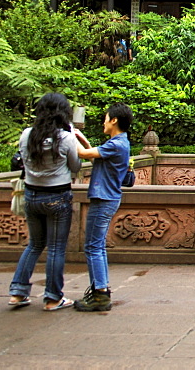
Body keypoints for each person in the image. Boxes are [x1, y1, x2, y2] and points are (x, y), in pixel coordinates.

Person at [8, 93, 83, 311]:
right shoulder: (65, 137)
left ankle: (17, 292)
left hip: (31, 195)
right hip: (58, 196)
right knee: (56, 248)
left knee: (34, 244)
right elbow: (76, 166)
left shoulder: (27, 134)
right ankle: (52, 298)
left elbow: (22, 162)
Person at [74, 102, 133, 312]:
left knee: (93, 246)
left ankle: (100, 293)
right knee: (96, 246)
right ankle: (100, 289)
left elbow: (83, 154)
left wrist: (69, 134)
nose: (103, 122)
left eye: (106, 117)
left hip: (105, 198)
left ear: (114, 120)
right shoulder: (118, 143)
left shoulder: (116, 144)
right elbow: (91, 152)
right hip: (107, 197)